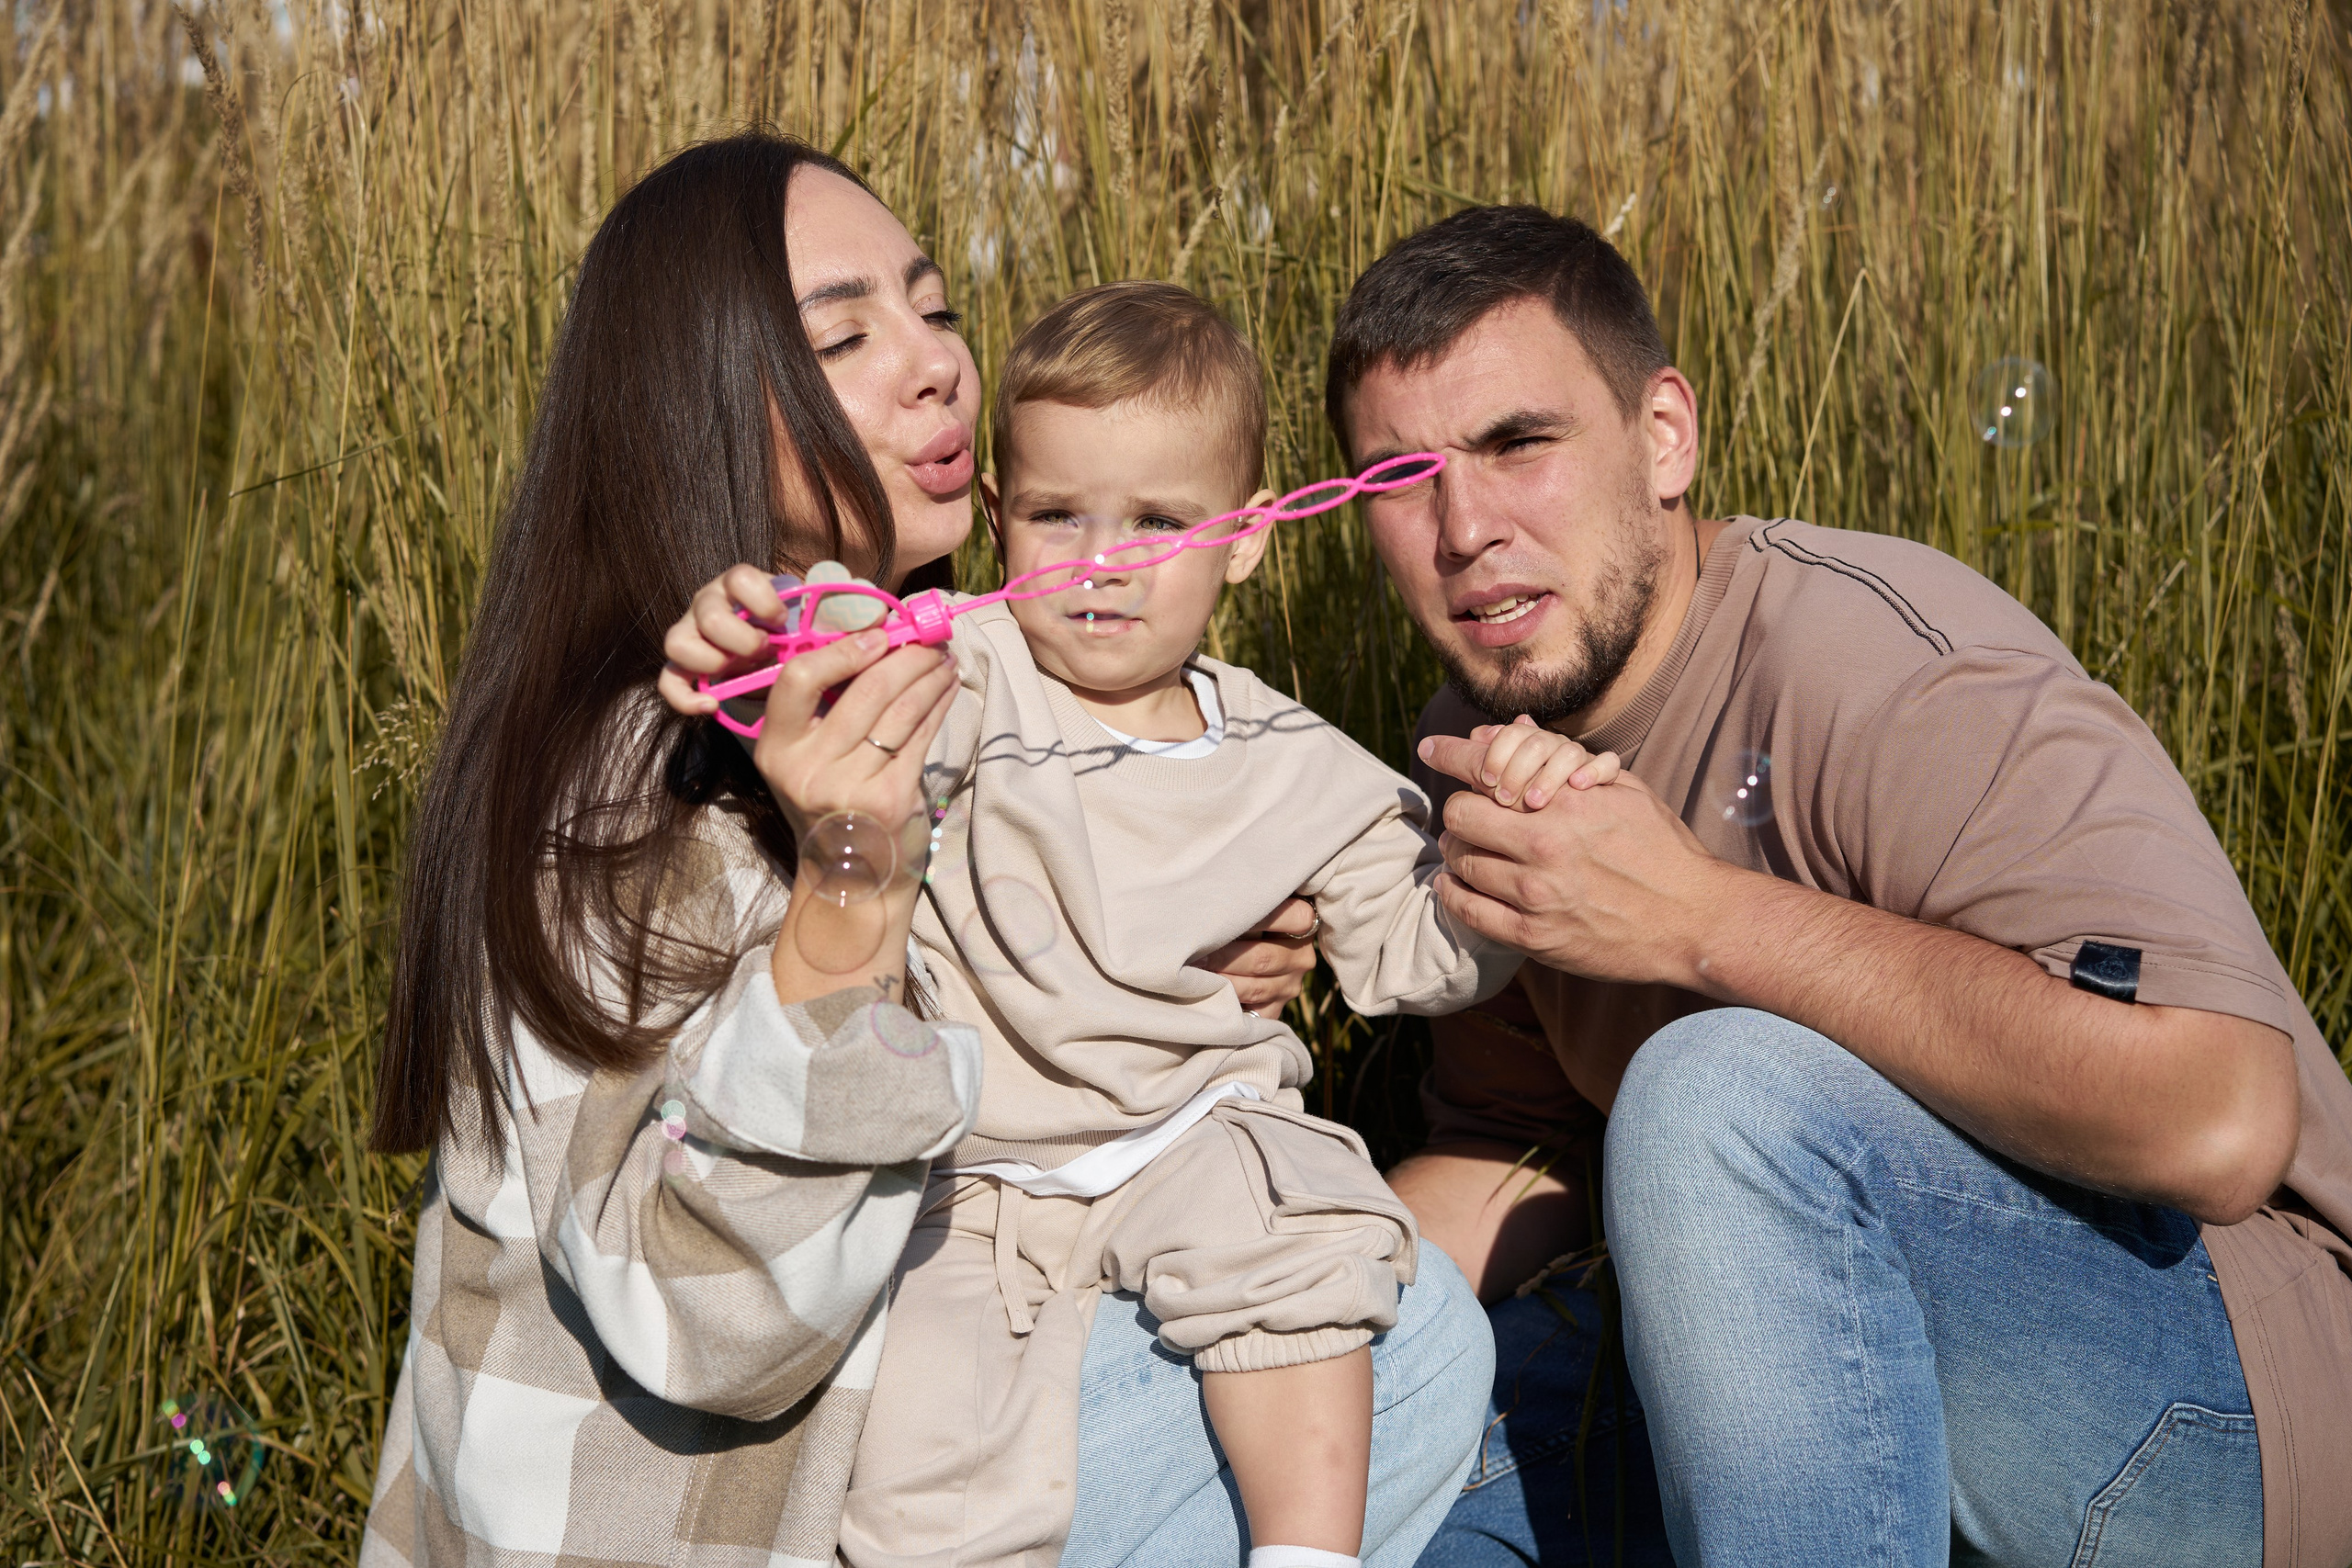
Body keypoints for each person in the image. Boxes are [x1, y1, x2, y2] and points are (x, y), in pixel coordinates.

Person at [1312, 205, 2352, 1566]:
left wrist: (1697, 924)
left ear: (1663, 436)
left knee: (1716, 1095)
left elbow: (2220, 1123)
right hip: (1825, 1352)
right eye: (1397, 480)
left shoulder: (1883, 668)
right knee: (1379, 1466)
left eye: (1520, 444)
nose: (1464, 528)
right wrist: (1264, 1287)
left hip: (2234, 1396)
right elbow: (1526, 1154)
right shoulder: (1477, 756)